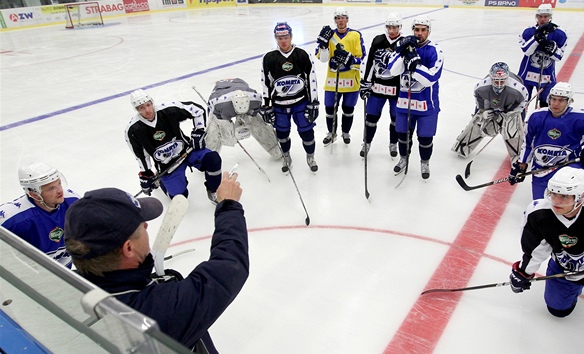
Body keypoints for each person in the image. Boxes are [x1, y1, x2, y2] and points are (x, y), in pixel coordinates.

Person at [64, 171, 248, 354]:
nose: (146, 226)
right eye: (141, 225)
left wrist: (147, 284)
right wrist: (229, 205)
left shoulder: (64, 289)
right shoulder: (158, 314)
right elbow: (229, 267)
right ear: (129, 249)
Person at [509, 167, 584, 354]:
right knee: (558, 311)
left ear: (580, 196)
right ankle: (572, 292)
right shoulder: (538, 213)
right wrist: (524, 272)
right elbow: (535, 248)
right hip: (565, 269)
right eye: (553, 194)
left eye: (565, 197)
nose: (556, 201)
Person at [508, 81, 584, 199]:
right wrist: (521, 165)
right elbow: (528, 142)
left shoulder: (580, 118)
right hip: (541, 169)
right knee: (540, 207)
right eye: (553, 99)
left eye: (561, 100)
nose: (556, 103)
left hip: (570, 168)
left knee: (567, 207)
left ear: (569, 101)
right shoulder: (536, 116)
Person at [375, 15, 444, 179]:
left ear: (428, 31)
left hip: (427, 105)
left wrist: (415, 64)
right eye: (416, 30)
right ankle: (403, 158)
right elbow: (393, 70)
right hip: (404, 103)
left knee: (425, 138)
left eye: (423, 30)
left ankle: (424, 162)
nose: (419, 33)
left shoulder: (435, 50)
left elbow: (430, 79)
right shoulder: (405, 47)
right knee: (403, 136)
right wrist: (402, 52)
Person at [125, 89, 222, 203]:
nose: (147, 110)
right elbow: (140, 155)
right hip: (167, 165)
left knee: (213, 159)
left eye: (148, 105)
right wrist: (146, 173)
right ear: (136, 110)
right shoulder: (133, 130)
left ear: (152, 102)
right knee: (179, 198)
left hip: (188, 151)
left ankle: (213, 190)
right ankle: (162, 181)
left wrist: (199, 131)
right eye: (141, 108)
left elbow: (197, 110)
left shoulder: (168, 110)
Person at [261, 22, 320, 172]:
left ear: (291, 36)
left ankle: (310, 156)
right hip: (279, 104)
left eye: (286, 37)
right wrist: (267, 105)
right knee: (282, 133)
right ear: (276, 38)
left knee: (306, 131)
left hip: (300, 102)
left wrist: (314, 102)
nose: (283, 41)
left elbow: (311, 79)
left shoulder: (301, 55)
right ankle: (286, 156)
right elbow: (266, 83)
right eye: (280, 38)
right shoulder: (269, 58)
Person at [0, 162, 79, 268]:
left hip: (63, 277)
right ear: (33, 194)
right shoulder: (13, 218)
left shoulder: (72, 201)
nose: (60, 190)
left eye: (59, 183)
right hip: (32, 279)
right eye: (51, 188)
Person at [451, 62, 529, 163]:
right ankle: (463, 146)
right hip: (491, 106)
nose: (499, 84)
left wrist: (511, 113)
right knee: (479, 121)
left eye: (502, 81)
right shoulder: (481, 87)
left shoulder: (518, 89)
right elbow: (480, 103)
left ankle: (518, 156)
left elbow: (522, 102)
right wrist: (484, 112)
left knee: (512, 128)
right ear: (491, 78)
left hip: (510, 108)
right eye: (496, 81)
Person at [315, 7, 366, 146]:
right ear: (335, 20)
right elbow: (323, 59)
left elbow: (362, 60)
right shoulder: (329, 36)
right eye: (338, 18)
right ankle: (331, 133)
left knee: (348, 109)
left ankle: (345, 131)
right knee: (330, 108)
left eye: (343, 17)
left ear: (347, 19)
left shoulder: (356, 35)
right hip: (333, 81)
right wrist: (324, 46)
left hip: (351, 82)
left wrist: (350, 60)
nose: (341, 20)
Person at [358, 12, 403, 159]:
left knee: (396, 119)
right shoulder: (378, 40)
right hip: (377, 88)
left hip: (396, 90)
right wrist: (366, 83)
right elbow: (370, 63)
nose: (392, 31)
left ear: (400, 27)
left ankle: (393, 143)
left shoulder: (404, 43)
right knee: (371, 117)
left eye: (395, 27)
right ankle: (367, 142)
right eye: (389, 27)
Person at [517, 3, 568, 109]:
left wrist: (551, 49)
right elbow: (527, 51)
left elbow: (558, 57)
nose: (542, 19)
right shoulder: (528, 31)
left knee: (547, 106)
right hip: (526, 74)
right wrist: (537, 37)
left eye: (545, 16)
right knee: (520, 104)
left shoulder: (560, 34)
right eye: (540, 16)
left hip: (547, 77)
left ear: (550, 17)